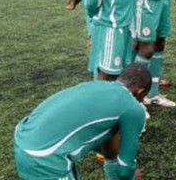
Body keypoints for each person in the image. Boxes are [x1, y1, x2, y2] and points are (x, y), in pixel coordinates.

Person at [14, 64, 150, 180]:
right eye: (144, 97)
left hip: (23, 139)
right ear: (141, 91)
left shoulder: (96, 86)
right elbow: (125, 167)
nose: (142, 101)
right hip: (44, 157)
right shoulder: (132, 107)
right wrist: (130, 174)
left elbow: (109, 145)